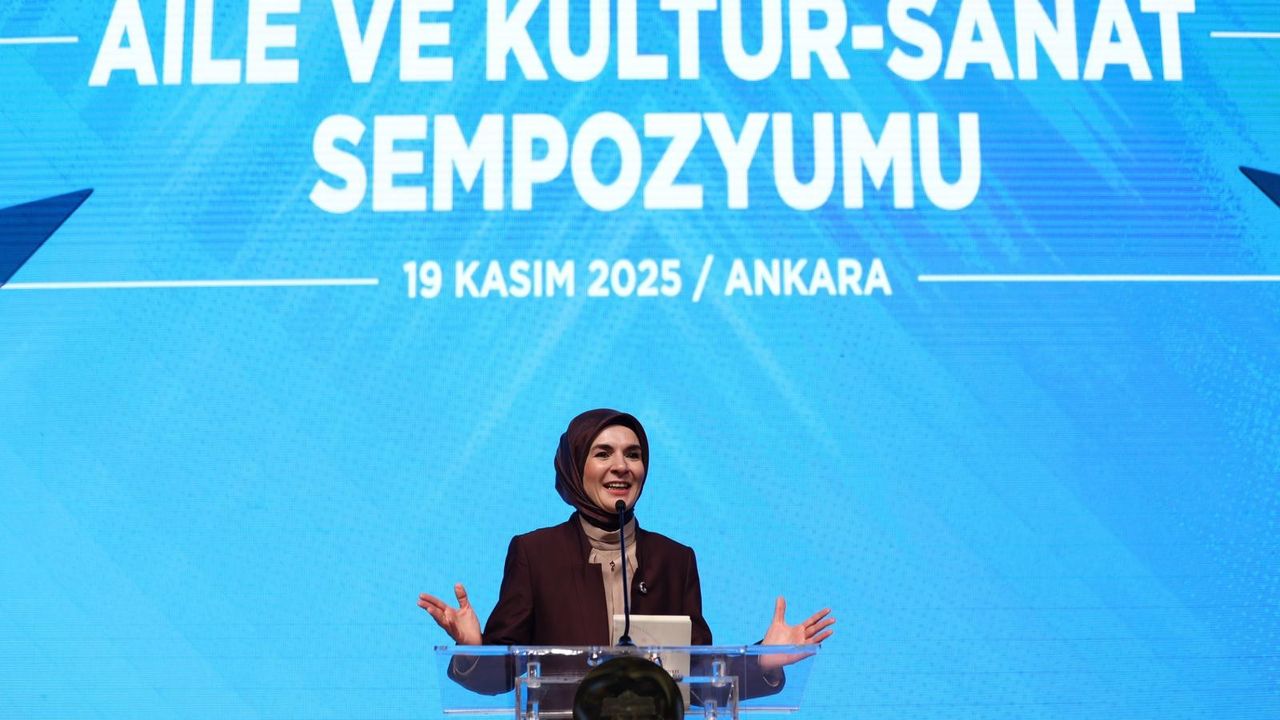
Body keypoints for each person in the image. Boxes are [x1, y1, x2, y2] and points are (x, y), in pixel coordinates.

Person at [418, 409, 834, 665]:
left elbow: (699, 674)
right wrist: (473, 649)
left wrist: (764, 660)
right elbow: (501, 676)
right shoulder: (535, 553)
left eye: (633, 454)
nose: (622, 466)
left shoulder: (675, 560)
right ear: (574, 467)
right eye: (603, 453)